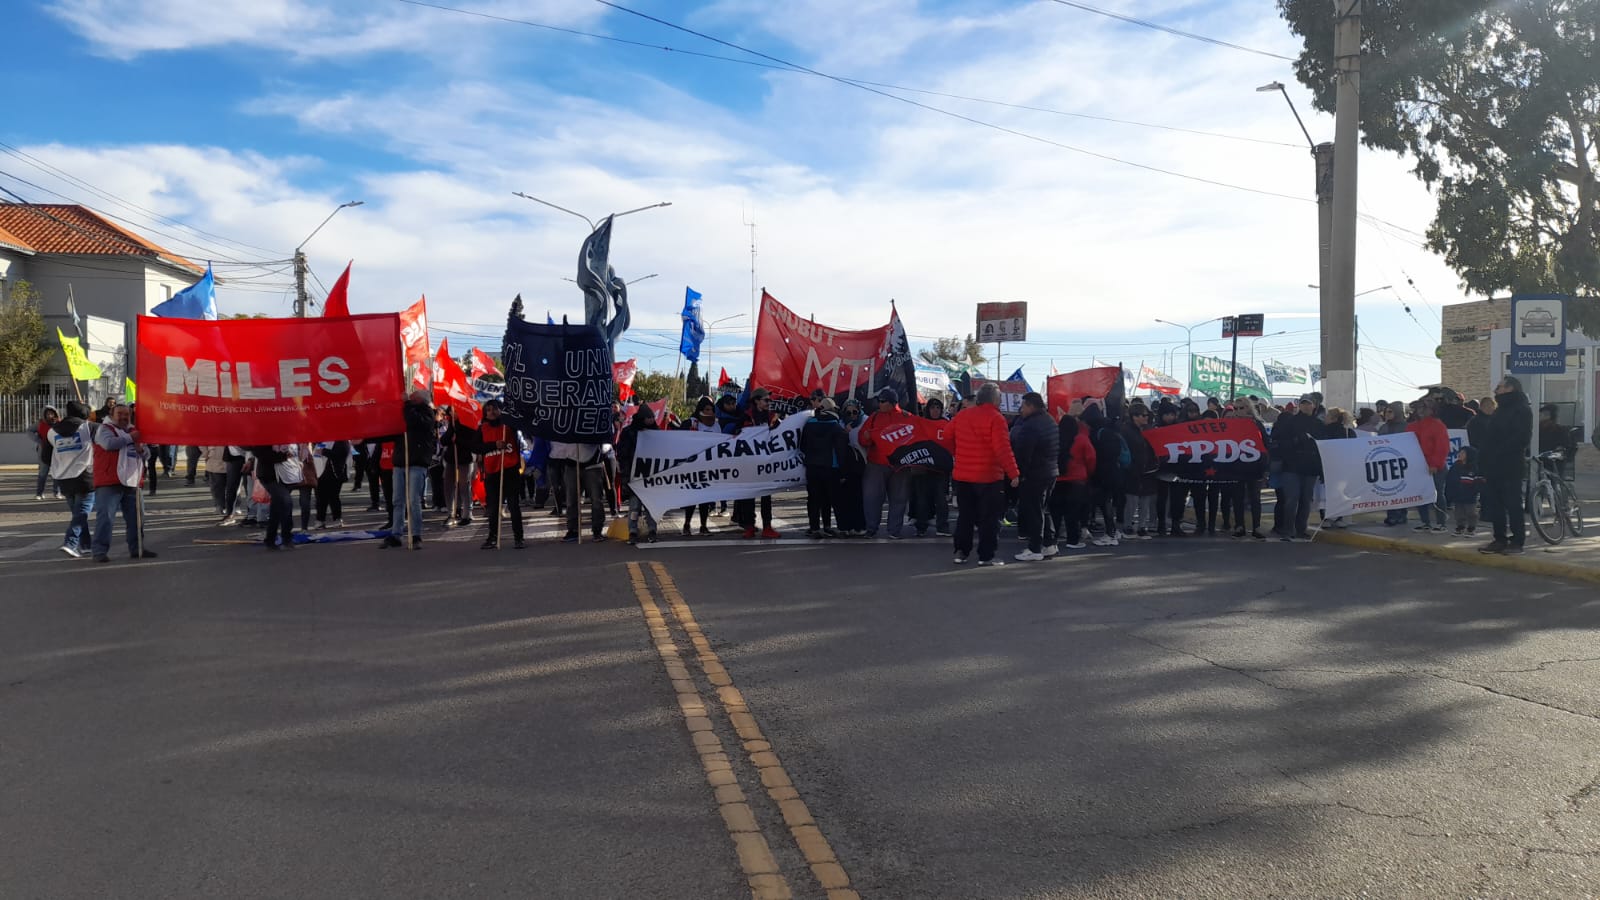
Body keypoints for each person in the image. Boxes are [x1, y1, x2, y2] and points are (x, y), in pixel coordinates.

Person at [950, 383, 1020, 567]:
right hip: (989, 477)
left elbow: (948, 437)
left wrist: (960, 454)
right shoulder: (996, 418)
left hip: (963, 475)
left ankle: (961, 552)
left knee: (965, 516)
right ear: (996, 399)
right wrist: (1013, 473)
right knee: (988, 519)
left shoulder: (962, 415)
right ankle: (986, 556)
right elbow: (1002, 448)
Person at [90, 402, 155, 563]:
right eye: (120, 414)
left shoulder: (135, 431)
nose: (124, 417)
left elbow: (147, 454)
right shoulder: (104, 429)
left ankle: (137, 549)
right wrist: (130, 438)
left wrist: (141, 449)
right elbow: (109, 444)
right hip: (109, 482)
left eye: (126, 414)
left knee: (137, 519)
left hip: (132, 482)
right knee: (106, 518)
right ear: (112, 415)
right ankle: (99, 552)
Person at [1479, 375, 1532, 555]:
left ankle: (1517, 541)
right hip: (1493, 466)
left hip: (1510, 466)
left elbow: (1521, 438)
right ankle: (1499, 539)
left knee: (1513, 504)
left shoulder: (1522, 410)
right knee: (1495, 505)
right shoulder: (1499, 410)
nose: (1496, 390)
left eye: (1500, 387)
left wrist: (1499, 453)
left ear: (1510, 388)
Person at [858, 387, 920, 539]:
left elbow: (918, 437)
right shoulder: (873, 417)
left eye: (883, 401)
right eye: (879, 401)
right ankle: (871, 528)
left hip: (900, 466)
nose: (879, 404)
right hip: (876, 464)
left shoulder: (907, 417)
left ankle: (894, 530)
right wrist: (866, 437)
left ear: (893, 403)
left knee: (899, 499)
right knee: (871, 498)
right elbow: (862, 439)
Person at [382, 390, 437, 549]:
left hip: (416, 462)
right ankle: (396, 533)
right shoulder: (406, 412)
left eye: (414, 396)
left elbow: (415, 422)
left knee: (413, 500)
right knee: (397, 500)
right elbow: (391, 432)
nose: (410, 397)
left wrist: (406, 404)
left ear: (422, 399)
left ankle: (416, 535)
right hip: (400, 462)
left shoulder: (427, 414)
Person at [1009, 391, 1059, 562]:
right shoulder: (1049, 420)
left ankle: (1035, 548)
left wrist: (1019, 474)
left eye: (1023, 406)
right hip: (1050, 471)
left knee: (1034, 511)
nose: (1020, 410)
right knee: (1044, 509)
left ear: (1031, 406)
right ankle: (1049, 544)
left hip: (1035, 474)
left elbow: (1024, 453)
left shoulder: (1030, 425)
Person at [474, 399, 526, 549]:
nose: (492, 412)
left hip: (510, 470)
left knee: (513, 505)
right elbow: (475, 446)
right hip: (492, 472)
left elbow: (521, 422)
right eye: (488, 410)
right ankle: (493, 537)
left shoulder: (509, 426)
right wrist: (493, 445)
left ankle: (518, 537)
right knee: (493, 507)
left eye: (495, 409)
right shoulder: (482, 428)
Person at [1271, 394, 1323, 542]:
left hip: (1310, 467)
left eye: (1309, 403)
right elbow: (1278, 439)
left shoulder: (1318, 424)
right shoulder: (1290, 421)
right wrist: (1295, 440)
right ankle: (1288, 530)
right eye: (1304, 403)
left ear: (1314, 406)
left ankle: (1301, 529)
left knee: (1306, 499)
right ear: (1299, 405)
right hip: (1291, 467)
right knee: (1292, 499)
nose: (1306, 406)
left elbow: (1323, 444)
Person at [48, 400, 97, 558]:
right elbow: (107, 436)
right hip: (84, 476)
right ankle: (70, 543)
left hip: (63, 478)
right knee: (81, 513)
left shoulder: (51, 432)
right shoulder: (88, 427)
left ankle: (86, 545)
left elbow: (44, 455)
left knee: (78, 513)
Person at [800, 398, 850, 538]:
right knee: (833, 499)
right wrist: (843, 471)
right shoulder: (835, 426)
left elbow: (802, 445)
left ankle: (814, 528)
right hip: (831, 466)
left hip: (812, 466)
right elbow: (841, 450)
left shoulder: (808, 424)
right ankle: (837, 527)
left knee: (814, 498)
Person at [737, 388, 782, 539]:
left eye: (770, 400)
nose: (769, 403)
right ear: (757, 401)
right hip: (749, 462)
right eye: (766, 400)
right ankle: (749, 526)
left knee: (766, 495)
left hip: (767, 462)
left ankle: (767, 527)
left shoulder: (772, 417)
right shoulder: (746, 416)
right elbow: (738, 434)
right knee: (748, 495)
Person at [1051, 411, 1096, 551]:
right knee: (1073, 513)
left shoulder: (1055, 439)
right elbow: (1091, 458)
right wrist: (1088, 473)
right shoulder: (1081, 439)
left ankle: (1053, 539)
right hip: (1077, 480)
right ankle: (1072, 540)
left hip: (1057, 479)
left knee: (1055, 513)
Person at [615, 404, 659, 545]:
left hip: (651, 475)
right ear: (642, 418)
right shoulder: (629, 432)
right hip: (634, 474)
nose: (652, 420)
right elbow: (622, 454)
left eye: (653, 417)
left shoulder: (656, 432)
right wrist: (626, 474)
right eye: (649, 418)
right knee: (634, 506)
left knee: (650, 505)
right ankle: (632, 530)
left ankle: (652, 530)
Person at [552, 439, 610, 543]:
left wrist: (603, 450)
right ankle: (573, 530)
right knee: (571, 500)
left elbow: (606, 438)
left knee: (596, 499)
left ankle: (597, 530)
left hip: (593, 463)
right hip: (571, 463)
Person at [1407, 399, 1451, 533]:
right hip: (1418, 466)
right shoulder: (1411, 426)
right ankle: (1425, 522)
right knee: (1420, 494)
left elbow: (1442, 448)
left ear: (1432, 410)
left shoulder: (1438, 425)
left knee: (1437, 494)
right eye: (1419, 407)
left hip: (1435, 467)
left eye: (1424, 408)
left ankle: (1441, 523)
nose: (1420, 410)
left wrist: (1434, 464)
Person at [1227, 401, 1270, 540]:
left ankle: (1256, 527)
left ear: (1249, 408)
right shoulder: (1231, 424)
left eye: (1242, 407)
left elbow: (1266, 444)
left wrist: (1265, 467)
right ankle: (1240, 526)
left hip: (1254, 465)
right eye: (1236, 408)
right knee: (1238, 498)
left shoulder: (1257, 424)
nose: (1238, 410)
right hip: (1237, 465)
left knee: (1255, 498)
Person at [911, 398, 952, 536]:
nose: (935, 410)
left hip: (941, 469)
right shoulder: (919, 422)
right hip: (923, 468)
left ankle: (942, 527)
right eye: (932, 407)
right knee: (922, 500)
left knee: (941, 499)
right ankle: (921, 527)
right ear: (927, 409)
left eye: (938, 408)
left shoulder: (947, 424)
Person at [678, 397, 719, 535]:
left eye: (712, 410)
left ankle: (703, 526)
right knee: (692, 497)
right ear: (700, 410)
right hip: (693, 466)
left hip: (709, 466)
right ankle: (687, 524)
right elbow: (679, 437)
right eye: (707, 409)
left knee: (705, 498)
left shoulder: (716, 425)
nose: (709, 412)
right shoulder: (691, 423)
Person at [1120, 405, 1158, 540]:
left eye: (1147, 415)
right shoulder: (1126, 431)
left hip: (1148, 469)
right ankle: (1128, 526)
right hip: (1133, 470)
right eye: (1143, 415)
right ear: (1134, 416)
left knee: (1145, 500)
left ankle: (1142, 527)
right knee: (1132, 499)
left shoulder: (1150, 430)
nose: (1146, 417)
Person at [440, 407, 476, 526]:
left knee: (464, 486)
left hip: (464, 460)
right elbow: (444, 440)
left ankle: (467, 514)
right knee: (448, 485)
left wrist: (458, 439)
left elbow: (472, 443)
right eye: (451, 411)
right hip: (451, 459)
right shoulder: (451, 424)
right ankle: (452, 512)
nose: (453, 413)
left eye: (455, 410)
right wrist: (451, 434)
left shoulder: (468, 424)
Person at [1445, 446, 1484, 536]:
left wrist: (1475, 491)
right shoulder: (1455, 466)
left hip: (1470, 495)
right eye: (1460, 452)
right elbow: (1450, 479)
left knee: (1471, 512)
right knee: (1458, 513)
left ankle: (1471, 527)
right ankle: (1460, 526)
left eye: (1463, 453)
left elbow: (1478, 481)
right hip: (1458, 494)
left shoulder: (1474, 467)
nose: (1460, 454)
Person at [313, 439, 351, 529]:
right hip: (321, 473)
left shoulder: (342, 440)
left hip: (336, 474)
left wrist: (324, 451)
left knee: (333, 497)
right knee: (321, 498)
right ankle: (320, 520)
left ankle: (337, 519)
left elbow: (341, 454)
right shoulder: (322, 440)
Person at [1538, 403, 1577, 480]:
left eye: (1542, 414)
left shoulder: (1559, 430)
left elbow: (1566, 447)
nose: (1539, 417)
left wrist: (1559, 453)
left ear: (1548, 416)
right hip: (1539, 461)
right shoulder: (1537, 429)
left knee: (1554, 483)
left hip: (1554, 463)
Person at [34, 405, 60, 500]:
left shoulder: (59, 423)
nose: (50, 415)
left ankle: (57, 492)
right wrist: (39, 441)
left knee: (57, 473)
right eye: (48, 414)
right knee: (43, 473)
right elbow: (31, 431)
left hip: (57, 451)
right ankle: (39, 493)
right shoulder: (41, 424)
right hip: (45, 451)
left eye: (51, 413)